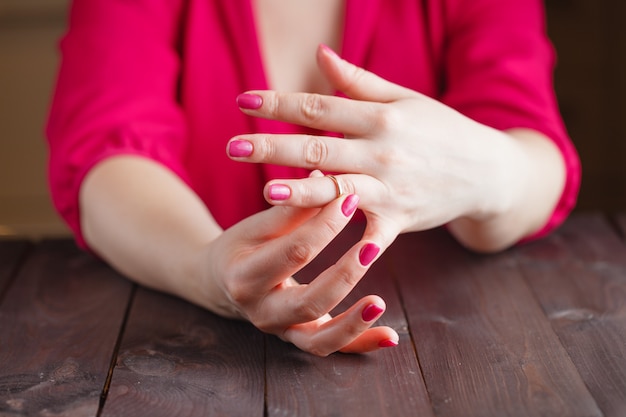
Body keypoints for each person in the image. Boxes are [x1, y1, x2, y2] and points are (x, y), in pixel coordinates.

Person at [46, 0, 581, 356]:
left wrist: (478, 170)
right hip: (188, 351)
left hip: (455, 349)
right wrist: (208, 268)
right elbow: (105, 150)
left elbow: (532, 147)